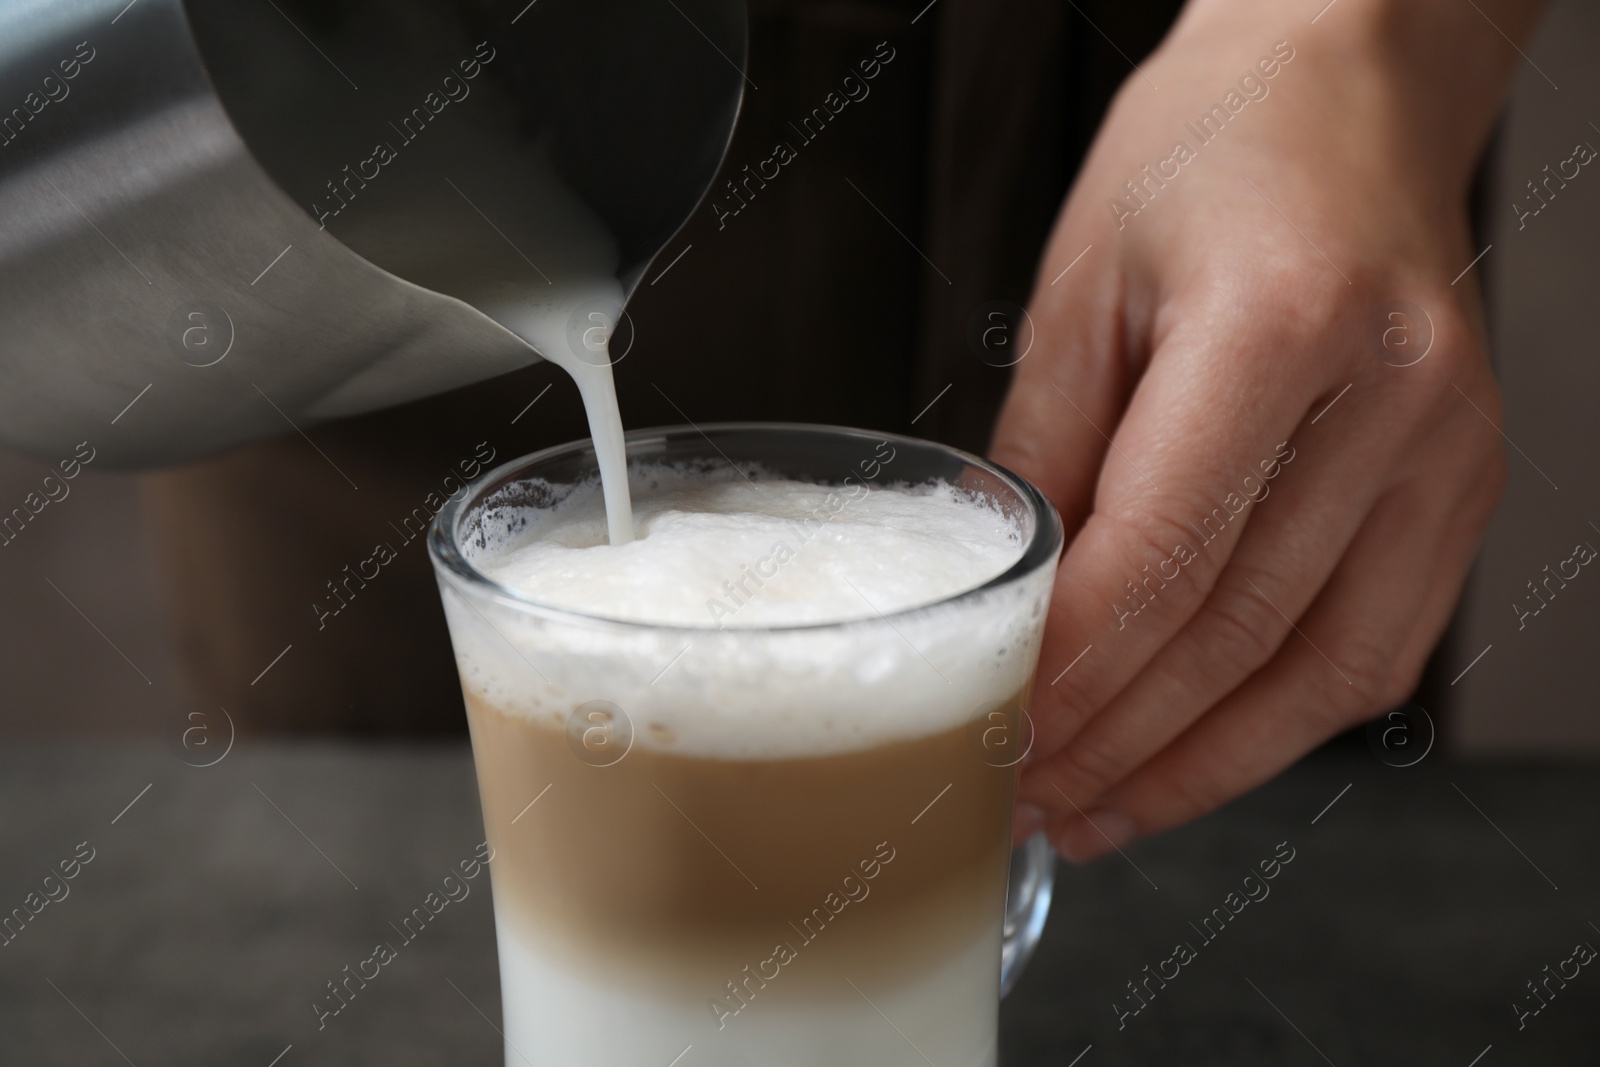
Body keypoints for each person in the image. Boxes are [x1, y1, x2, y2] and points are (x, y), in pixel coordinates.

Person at [143, 0, 1546, 860]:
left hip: (1248, 184)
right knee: (367, 894)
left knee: (1236, 758)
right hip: (442, 141)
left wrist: (1371, 39)